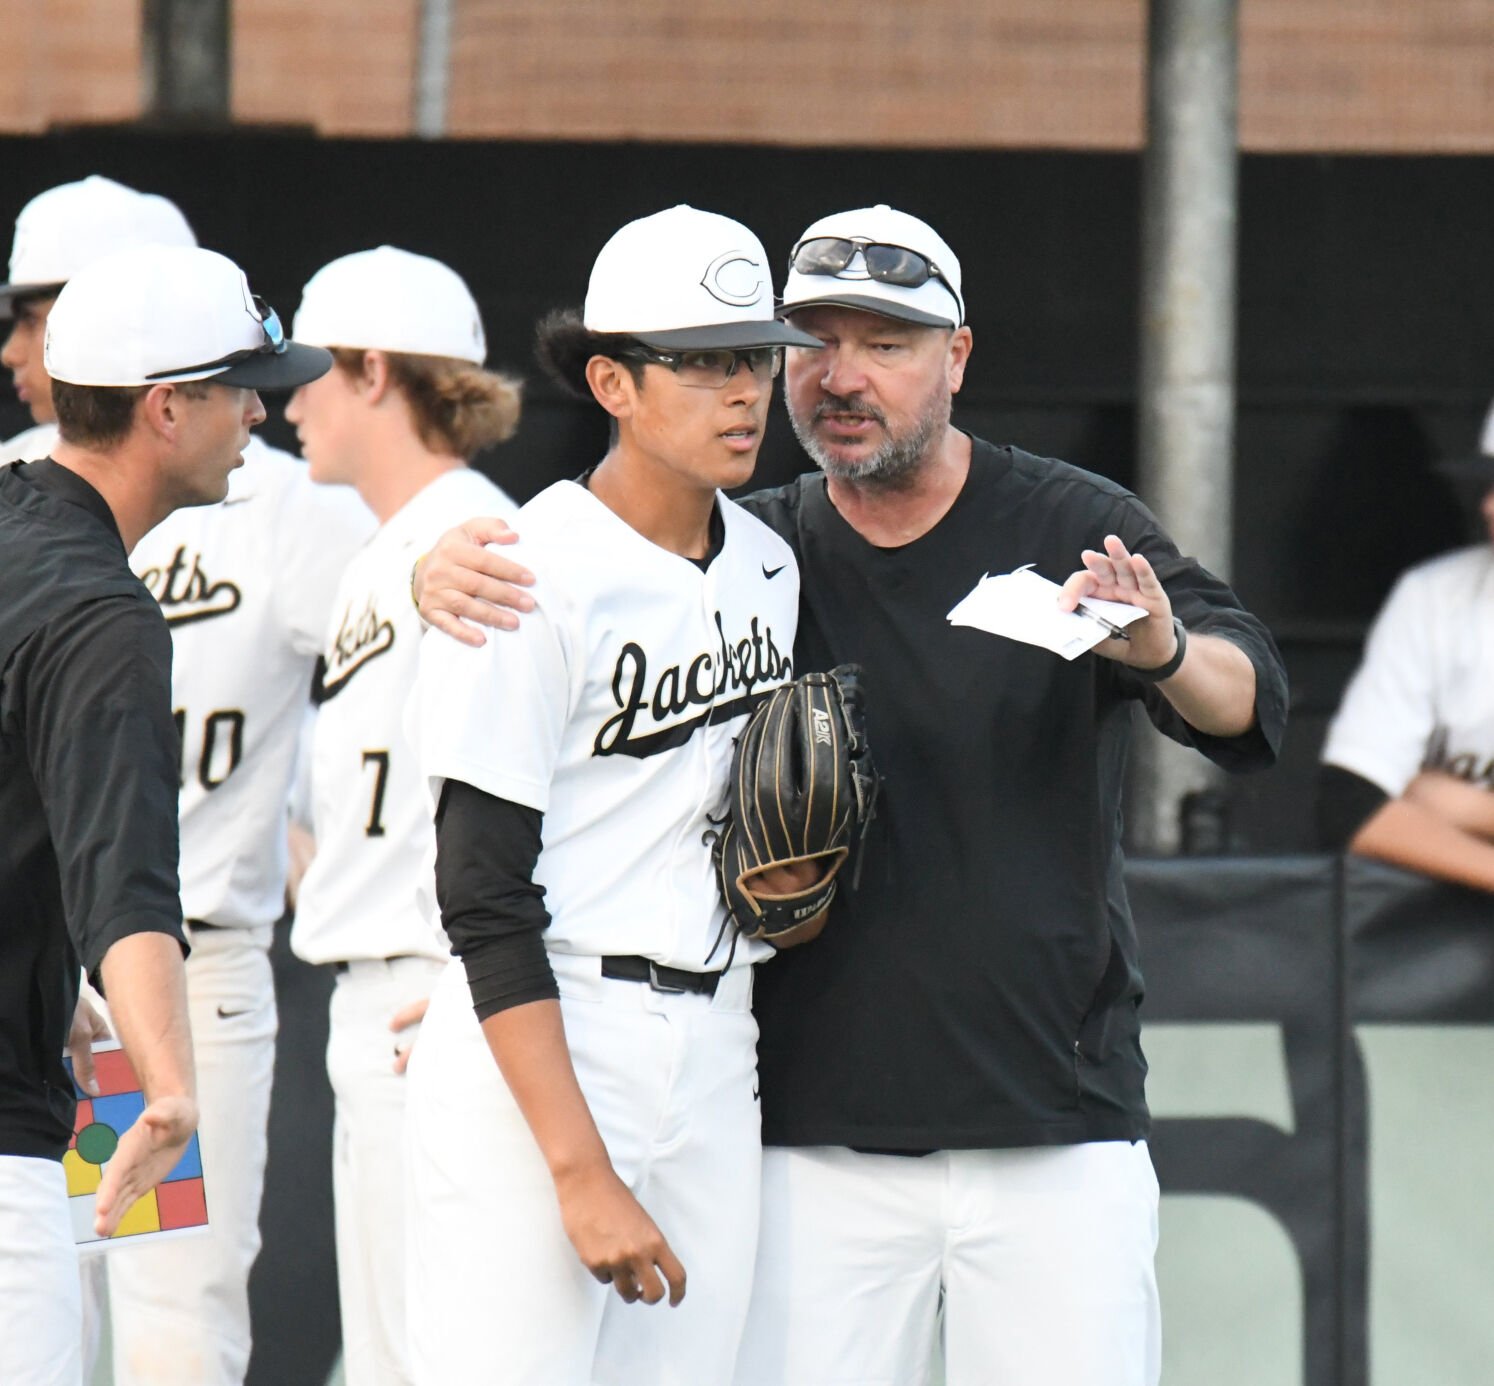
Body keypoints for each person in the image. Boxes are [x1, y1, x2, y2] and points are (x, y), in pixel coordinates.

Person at [414, 203, 1289, 1386]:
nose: (840, 375)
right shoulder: (756, 551)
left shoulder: (1070, 525)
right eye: (813, 341)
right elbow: (527, 775)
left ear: (957, 358)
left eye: (887, 341)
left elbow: (1247, 695)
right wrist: (442, 566)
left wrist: (1167, 655)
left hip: (1051, 1119)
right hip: (804, 1131)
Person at [404, 205, 817, 1385]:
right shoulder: (519, 574)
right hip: (554, 1031)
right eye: (698, 361)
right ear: (612, 381)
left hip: (717, 1034)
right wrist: (580, 1170)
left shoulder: (773, 565)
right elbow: (480, 892)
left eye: (755, 356)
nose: (741, 391)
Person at [1, 175, 374, 1386]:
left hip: (108, 984)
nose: (259, 418)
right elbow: (120, 872)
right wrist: (163, 1086)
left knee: (173, 1324)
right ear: (166, 407)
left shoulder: (17, 511)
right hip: (124, 1004)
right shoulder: (104, 609)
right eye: (242, 392)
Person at [284, 245, 523, 1386]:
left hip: (429, 992)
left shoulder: (478, 540)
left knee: (433, 1359)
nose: (288, 403)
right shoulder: (383, 548)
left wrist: (488, 980)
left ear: (374, 371)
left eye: (308, 373)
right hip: (372, 988)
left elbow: (546, 782)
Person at [1318, 400, 1494, 888]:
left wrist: (1460, 806)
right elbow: (1350, 805)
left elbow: (1419, 802)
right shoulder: (1436, 595)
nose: (1489, 505)